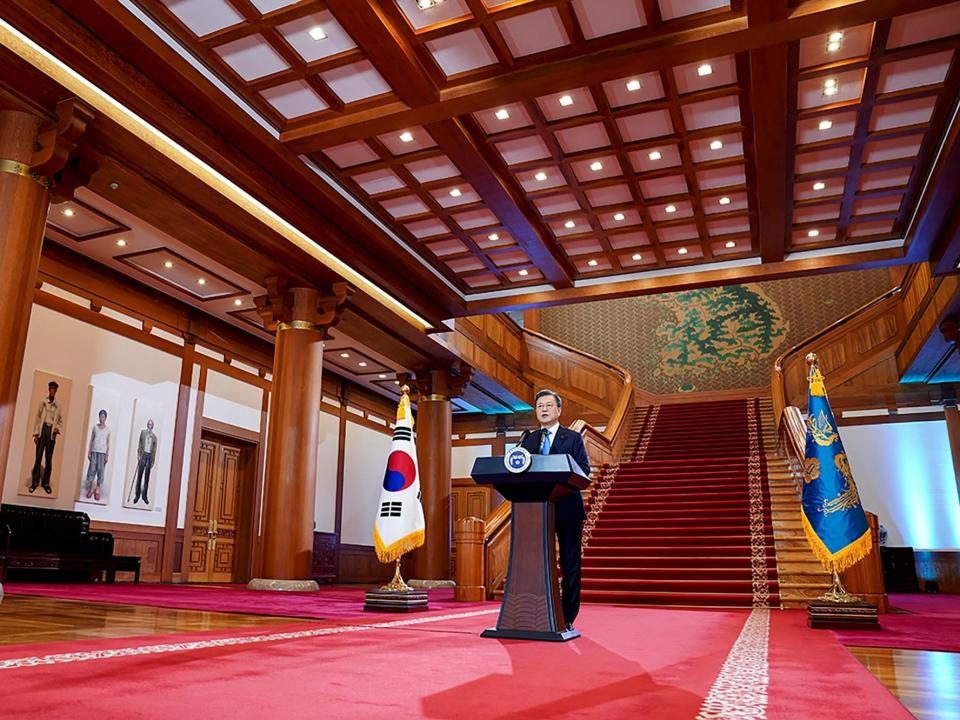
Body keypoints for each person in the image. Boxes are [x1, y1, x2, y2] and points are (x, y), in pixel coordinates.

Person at [520, 389, 591, 632]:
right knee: (534, 562)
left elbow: (584, 471)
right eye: (540, 406)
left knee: (570, 563)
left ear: (559, 410)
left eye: (549, 405)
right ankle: (534, 611)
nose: (544, 409)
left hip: (567, 508)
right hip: (536, 509)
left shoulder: (572, 438)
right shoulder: (528, 440)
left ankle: (567, 615)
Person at [30, 381, 64, 494]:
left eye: (55, 389)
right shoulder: (42, 402)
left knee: (49, 459)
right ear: (49, 389)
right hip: (42, 430)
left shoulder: (58, 405)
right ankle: (34, 482)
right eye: (51, 389)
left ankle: (46, 483)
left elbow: (60, 420)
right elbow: (37, 418)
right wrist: (35, 434)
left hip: (51, 433)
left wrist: (57, 428)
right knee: (38, 457)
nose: (53, 391)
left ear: (56, 391)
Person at [84, 410, 111, 501]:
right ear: (99, 417)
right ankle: (92, 488)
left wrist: (107, 455)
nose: (101, 418)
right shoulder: (95, 427)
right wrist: (89, 451)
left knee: (100, 471)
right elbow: (91, 440)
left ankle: (97, 490)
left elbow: (107, 443)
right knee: (92, 469)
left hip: (102, 453)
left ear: (105, 418)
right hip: (94, 452)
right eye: (100, 416)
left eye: (103, 417)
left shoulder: (108, 430)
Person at [133, 418, 157, 504]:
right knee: (139, 476)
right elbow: (140, 443)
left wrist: (153, 460)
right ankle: (137, 495)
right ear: (147, 425)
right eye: (149, 424)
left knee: (147, 478)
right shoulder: (143, 432)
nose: (150, 426)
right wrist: (139, 454)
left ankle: (144, 496)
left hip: (149, 456)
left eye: (152, 424)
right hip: (143, 455)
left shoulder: (154, 437)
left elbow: (154, 450)